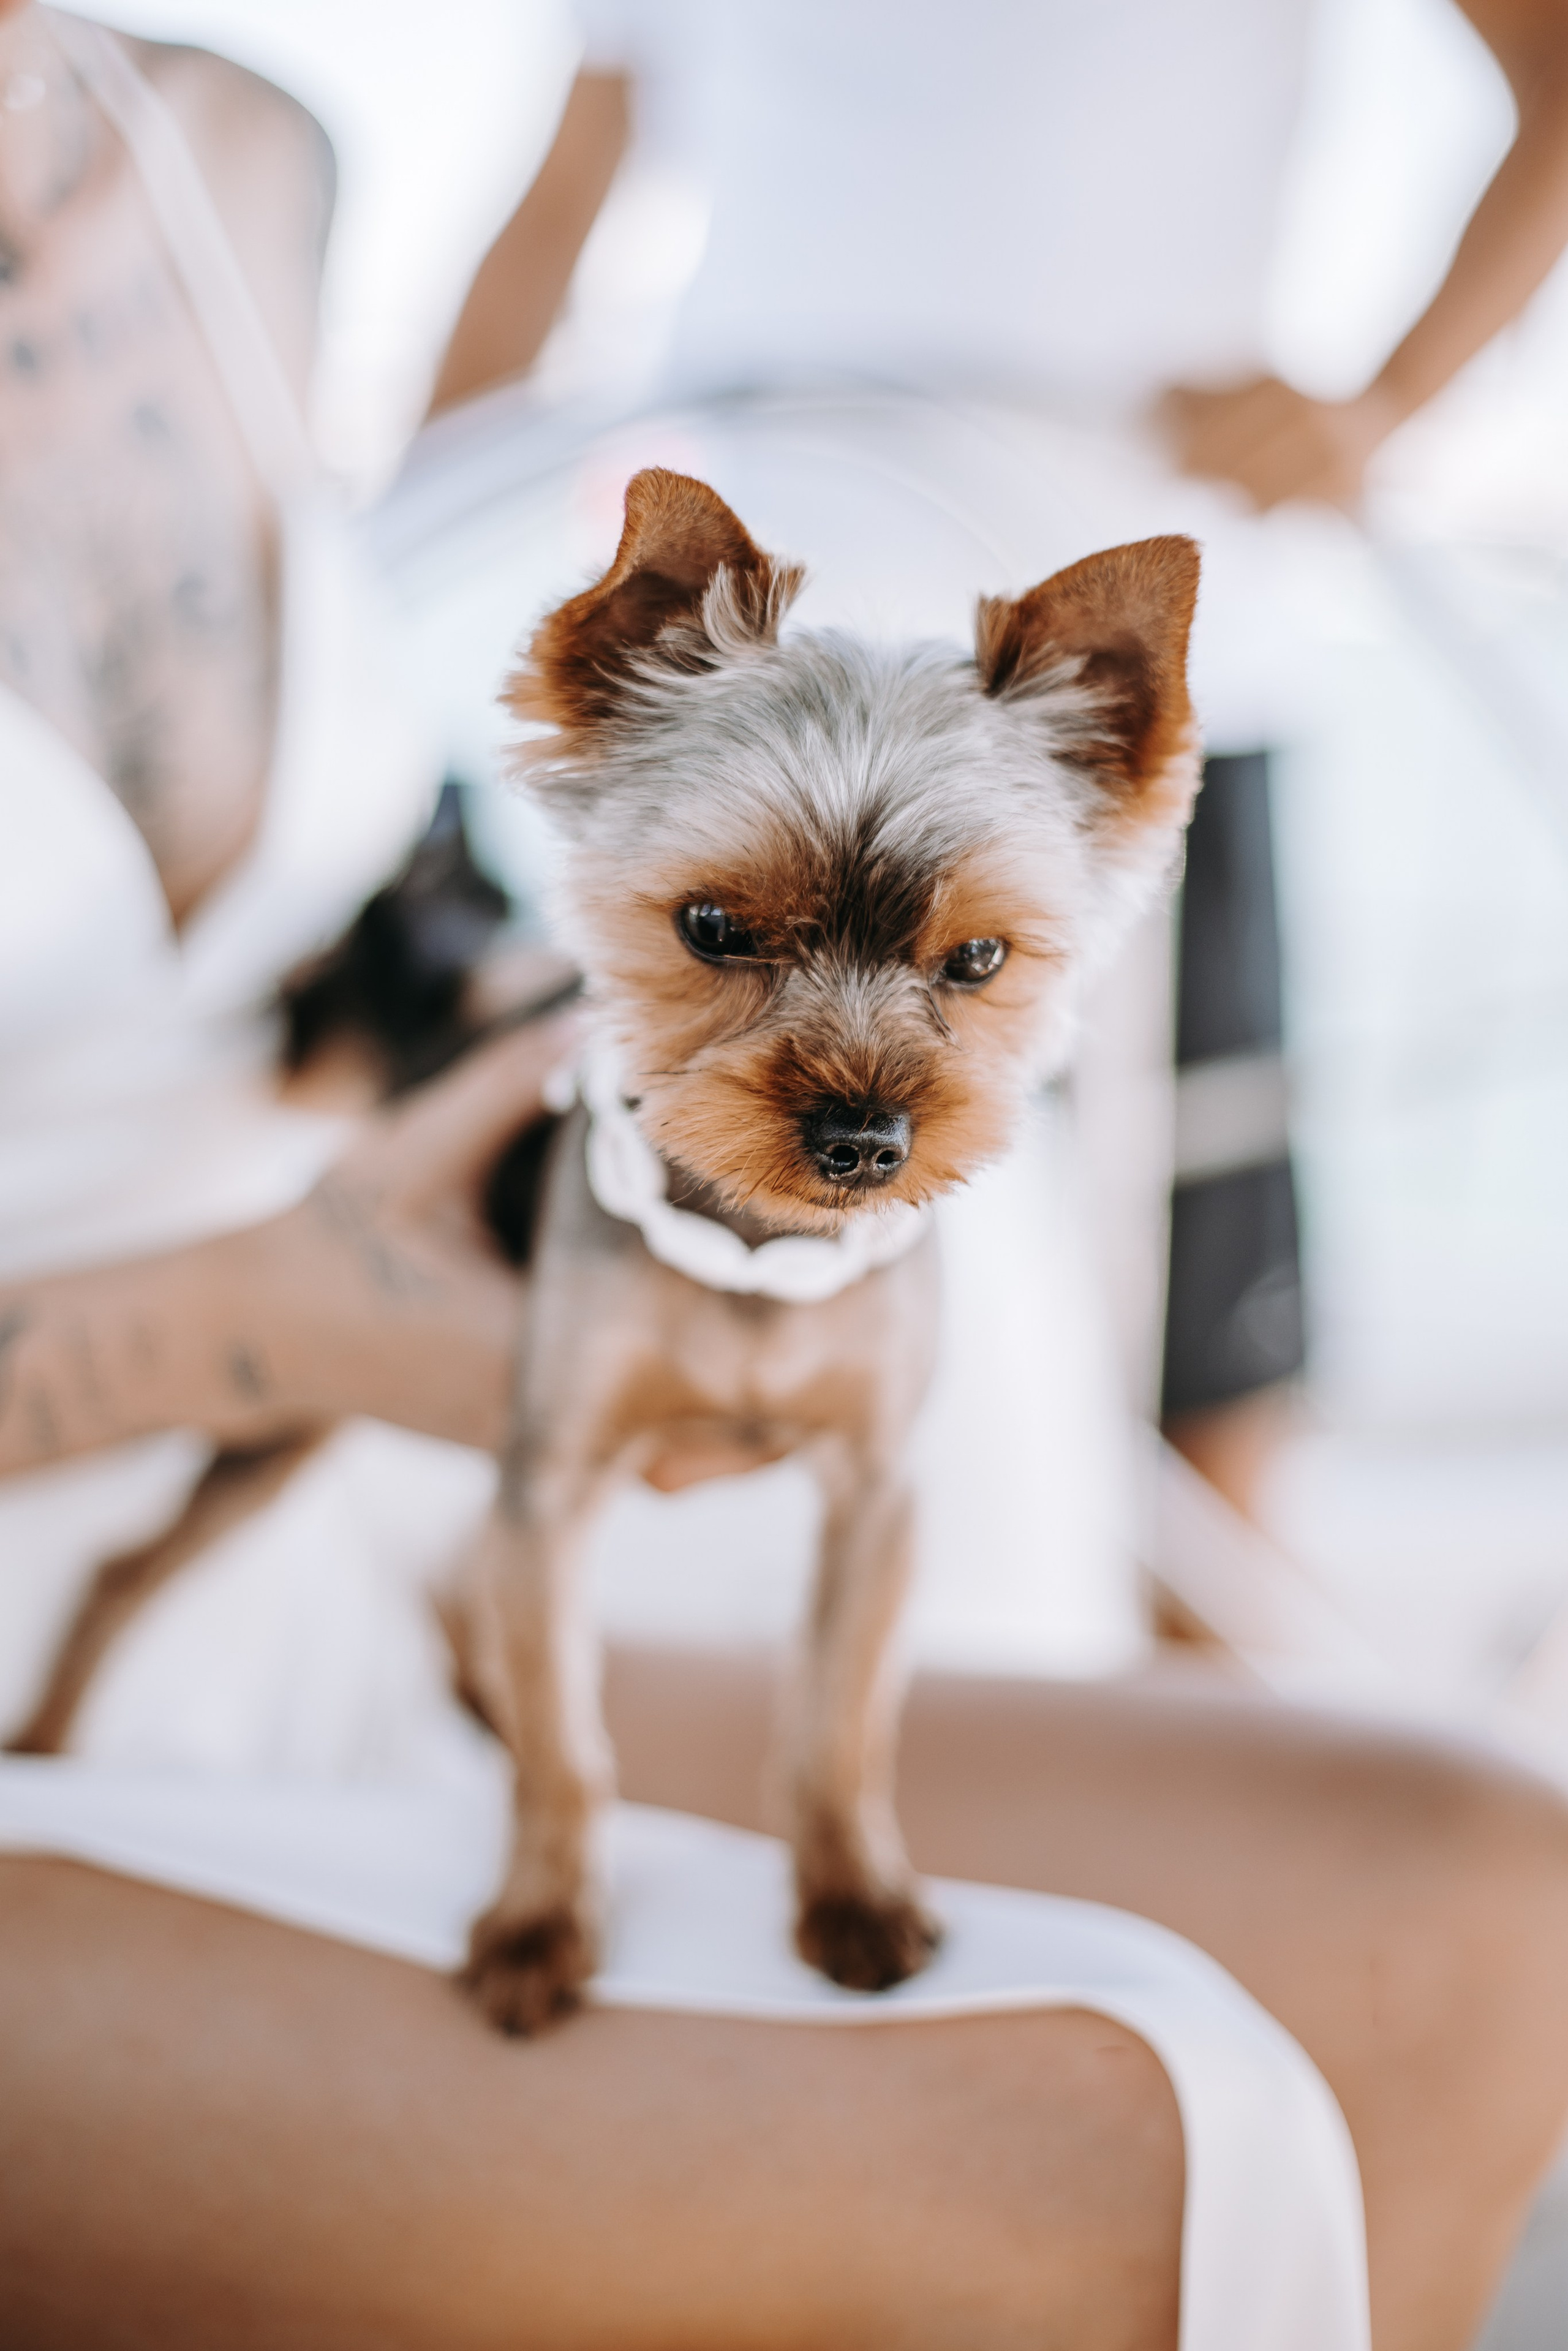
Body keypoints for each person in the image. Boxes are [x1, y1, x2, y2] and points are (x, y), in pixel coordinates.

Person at [4, 10, 1568, 2347]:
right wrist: (260, 1318)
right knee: (1112, 2152)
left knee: (1477, 1903)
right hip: (102, 1574)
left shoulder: (221, 141)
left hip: (323, 1567)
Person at [427, 0, 1568, 1525]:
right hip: (746, 696)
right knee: (692, 1347)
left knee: (1196, 1365)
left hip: (1122, 691)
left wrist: (1384, 401)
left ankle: (1193, 1709)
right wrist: (378, 572)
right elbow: (563, 195)